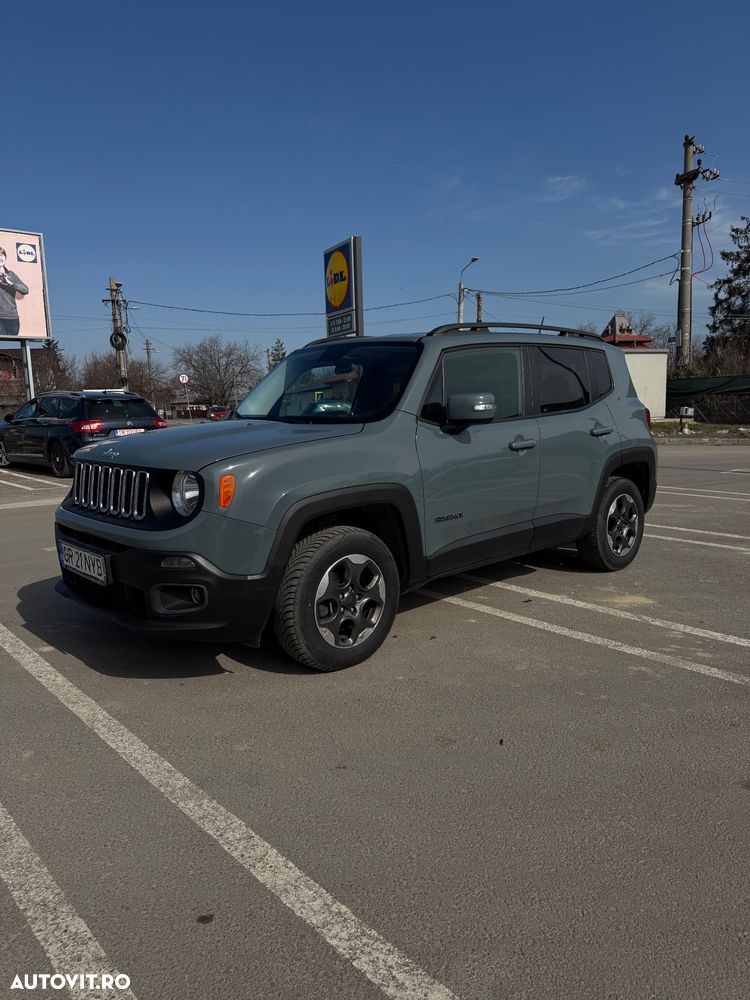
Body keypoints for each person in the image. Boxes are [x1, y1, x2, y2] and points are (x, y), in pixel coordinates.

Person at [0, 247, 29, 337]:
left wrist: (10, 283)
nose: (0, 258)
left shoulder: (11, 274)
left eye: (1, 255)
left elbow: (25, 290)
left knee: (13, 339)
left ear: (5, 258)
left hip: (13, 318)